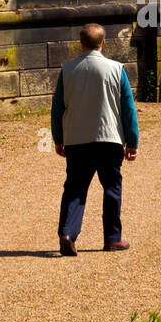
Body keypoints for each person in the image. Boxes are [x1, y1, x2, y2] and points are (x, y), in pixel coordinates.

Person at [50, 24, 138, 256]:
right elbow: (128, 109)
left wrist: (58, 138)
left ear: (81, 43)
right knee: (112, 188)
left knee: (75, 188)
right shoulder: (116, 69)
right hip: (109, 138)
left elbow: (57, 108)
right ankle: (112, 238)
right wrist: (133, 141)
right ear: (103, 42)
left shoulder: (67, 70)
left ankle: (67, 233)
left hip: (77, 139)